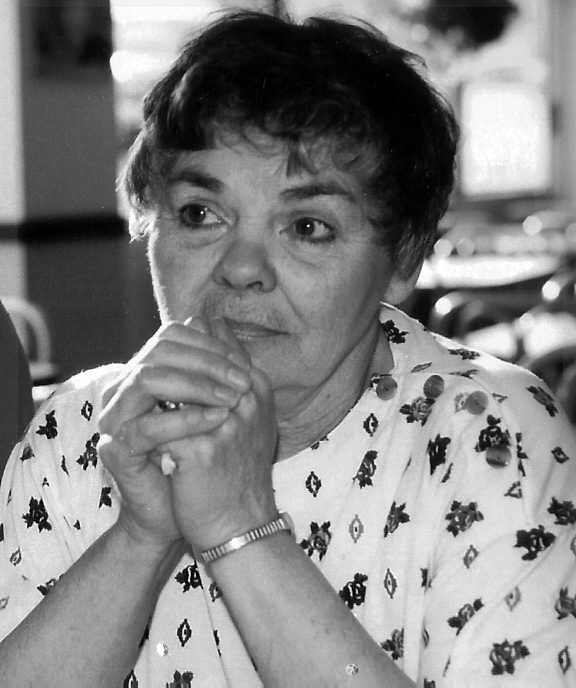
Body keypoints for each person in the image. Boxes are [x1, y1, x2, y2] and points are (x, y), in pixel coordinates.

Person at [0, 9, 574, 687]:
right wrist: (140, 535)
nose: (242, 268)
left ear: (403, 257)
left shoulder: (491, 438)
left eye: (307, 226)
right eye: (200, 214)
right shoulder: (78, 435)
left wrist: (238, 524)